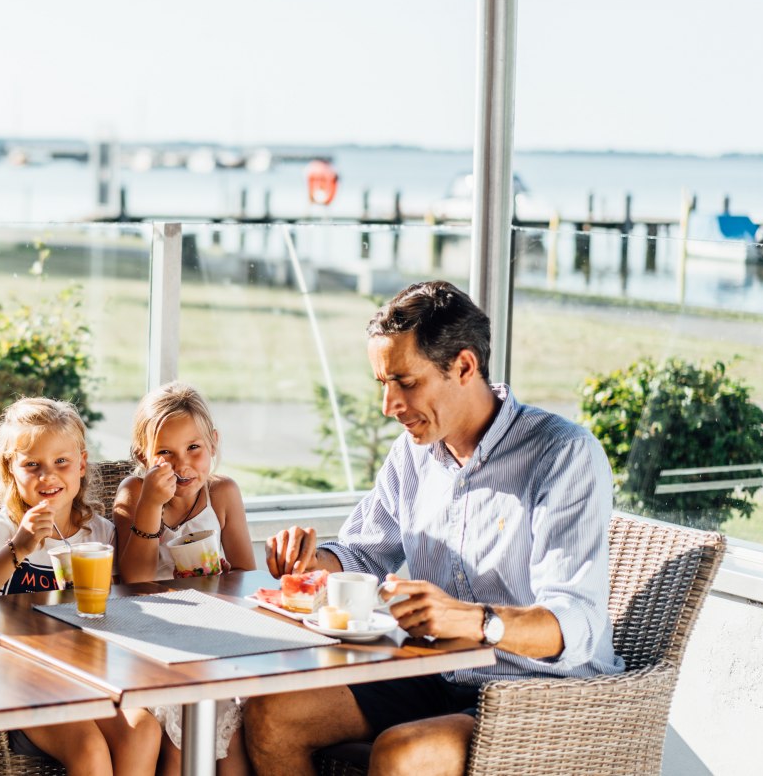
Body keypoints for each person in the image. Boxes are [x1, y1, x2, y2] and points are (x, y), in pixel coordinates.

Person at [244, 281, 624, 776]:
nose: (390, 405)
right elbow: (361, 553)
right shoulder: (414, 452)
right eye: (383, 384)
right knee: (272, 714)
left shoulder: (563, 454)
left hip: (542, 693)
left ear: (463, 367)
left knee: (403, 754)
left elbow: (574, 623)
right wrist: (311, 562)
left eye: (405, 382)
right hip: (438, 673)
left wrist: (472, 620)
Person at [0, 397, 160, 776]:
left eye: (61, 462)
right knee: (90, 748)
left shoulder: (100, 533)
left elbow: (130, 603)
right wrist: (20, 548)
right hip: (24, 679)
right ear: (10, 470)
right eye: (32, 465)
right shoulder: (4, 530)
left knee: (142, 729)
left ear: (81, 463)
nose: (49, 477)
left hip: (90, 674)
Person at [112, 381, 253, 776]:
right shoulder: (134, 492)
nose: (183, 464)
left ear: (213, 442)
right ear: (143, 456)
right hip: (152, 637)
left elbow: (246, 574)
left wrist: (224, 580)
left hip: (210, 636)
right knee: (180, 741)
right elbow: (133, 582)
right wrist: (151, 506)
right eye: (165, 454)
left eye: (194, 448)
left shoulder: (223, 493)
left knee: (234, 737)